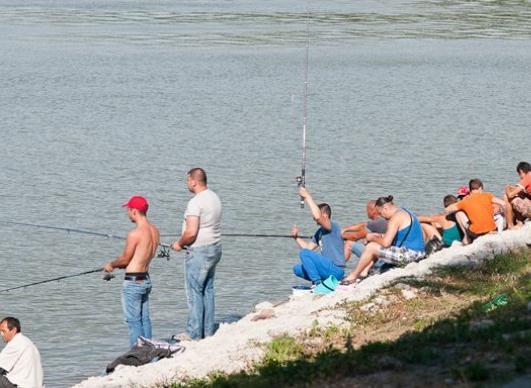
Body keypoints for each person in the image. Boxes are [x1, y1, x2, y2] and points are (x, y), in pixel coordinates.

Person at [171, 168, 222, 340]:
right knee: (207, 289)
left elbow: (191, 232)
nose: (187, 184)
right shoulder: (214, 197)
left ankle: (194, 332)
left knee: (194, 292)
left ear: (194, 181)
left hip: (200, 250)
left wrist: (179, 243)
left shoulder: (195, 202)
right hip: (215, 247)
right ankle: (207, 331)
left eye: (187, 181)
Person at [103, 195, 160, 347]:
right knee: (145, 319)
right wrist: (123, 264)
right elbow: (142, 256)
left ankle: (137, 354)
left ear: (134, 211)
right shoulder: (155, 231)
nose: (127, 213)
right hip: (146, 279)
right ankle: (150, 352)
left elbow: (125, 259)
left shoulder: (134, 234)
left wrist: (111, 265)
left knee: (134, 321)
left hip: (133, 283)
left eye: (128, 210)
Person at [341, 195, 426, 285]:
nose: (382, 217)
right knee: (376, 247)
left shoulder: (395, 218)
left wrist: (371, 237)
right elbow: (395, 236)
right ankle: (364, 272)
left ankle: (353, 276)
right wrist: (378, 236)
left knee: (371, 247)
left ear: (385, 208)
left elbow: (386, 243)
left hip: (411, 255)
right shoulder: (405, 212)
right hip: (418, 253)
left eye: (380, 213)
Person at [291, 186, 345, 285]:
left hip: (336, 269)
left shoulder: (332, 226)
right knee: (297, 269)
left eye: (316, 219)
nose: (316, 222)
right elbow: (308, 247)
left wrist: (307, 196)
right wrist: (296, 237)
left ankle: (318, 284)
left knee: (304, 253)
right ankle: (323, 281)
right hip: (326, 268)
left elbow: (318, 216)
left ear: (325, 216)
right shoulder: (319, 232)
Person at [445, 179, 505, 243]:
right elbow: (503, 203)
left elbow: (447, 209)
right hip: (492, 229)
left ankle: (466, 237)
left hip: (476, 233)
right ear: (480, 188)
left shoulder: (464, 201)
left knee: (458, 214)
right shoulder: (488, 195)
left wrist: (458, 204)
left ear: (470, 190)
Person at [0, 317, 43, 388]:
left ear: (13, 330)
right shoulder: (26, 341)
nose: (1, 334)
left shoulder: (15, 343)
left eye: (3, 331)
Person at [504, 161, 531, 229]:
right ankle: (519, 221)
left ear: (521, 171)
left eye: (519, 174)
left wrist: (507, 188)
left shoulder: (528, 177)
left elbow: (510, 195)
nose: (520, 177)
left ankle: (510, 225)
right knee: (520, 194)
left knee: (507, 197)